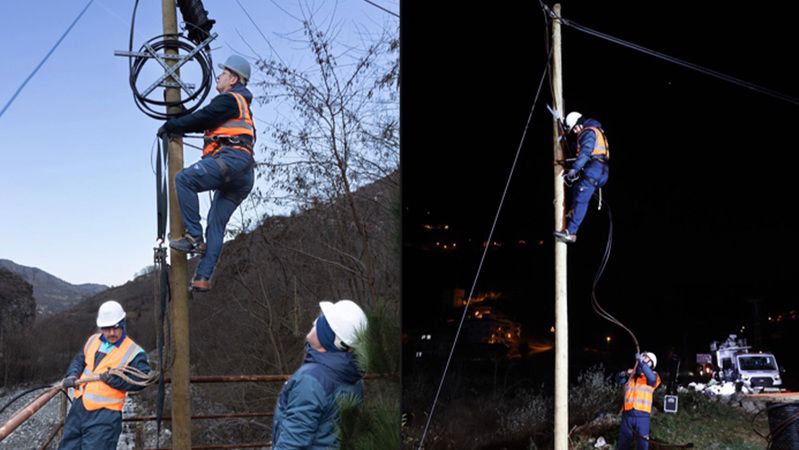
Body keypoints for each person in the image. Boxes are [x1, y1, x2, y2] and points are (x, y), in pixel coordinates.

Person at [158, 54, 256, 291]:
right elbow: (205, 118)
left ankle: (194, 237)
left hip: (231, 160)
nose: (219, 76)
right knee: (216, 223)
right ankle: (202, 277)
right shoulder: (240, 107)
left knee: (184, 179)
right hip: (243, 173)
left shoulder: (229, 99)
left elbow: (203, 117)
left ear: (233, 78)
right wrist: (183, 119)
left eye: (223, 73)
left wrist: (171, 126)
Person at [272, 300, 369, 449]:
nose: (314, 321)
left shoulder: (311, 381)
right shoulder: (353, 377)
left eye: (322, 320)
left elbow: (291, 444)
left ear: (328, 337)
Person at [58, 301, 151, 450]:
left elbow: (142, 379)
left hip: (105, 416)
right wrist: (72, 375)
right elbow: (80, 360)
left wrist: (116, 380)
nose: (111, 333)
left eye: (115, 328)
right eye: (107, 329)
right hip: (79, 408)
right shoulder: (93, 341)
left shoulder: (134, 352)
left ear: (123, 324)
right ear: (101, 327)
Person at [553, 111, 610, 244]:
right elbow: (580, 150)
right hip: (601, 170)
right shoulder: (595, 131)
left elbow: (585, 152)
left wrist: (574, 170)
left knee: (581, 198)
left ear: (578, 125)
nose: (575, 132)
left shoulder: (588, 132)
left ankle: (570, 233)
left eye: (574, 129)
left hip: (595, 169)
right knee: (578, 188)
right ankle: (573, 212)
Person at [617, 351, 661, 450]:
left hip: (642, 417)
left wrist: (641, 363)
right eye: (643, 357)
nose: (643, 359)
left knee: (642, 445)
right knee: (623, 445)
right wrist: (624, 373)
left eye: (646, 358)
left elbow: (652, 379)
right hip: (627, 415)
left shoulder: (654, 376)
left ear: (651, 364)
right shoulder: (632, 376)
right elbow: (619, 380)